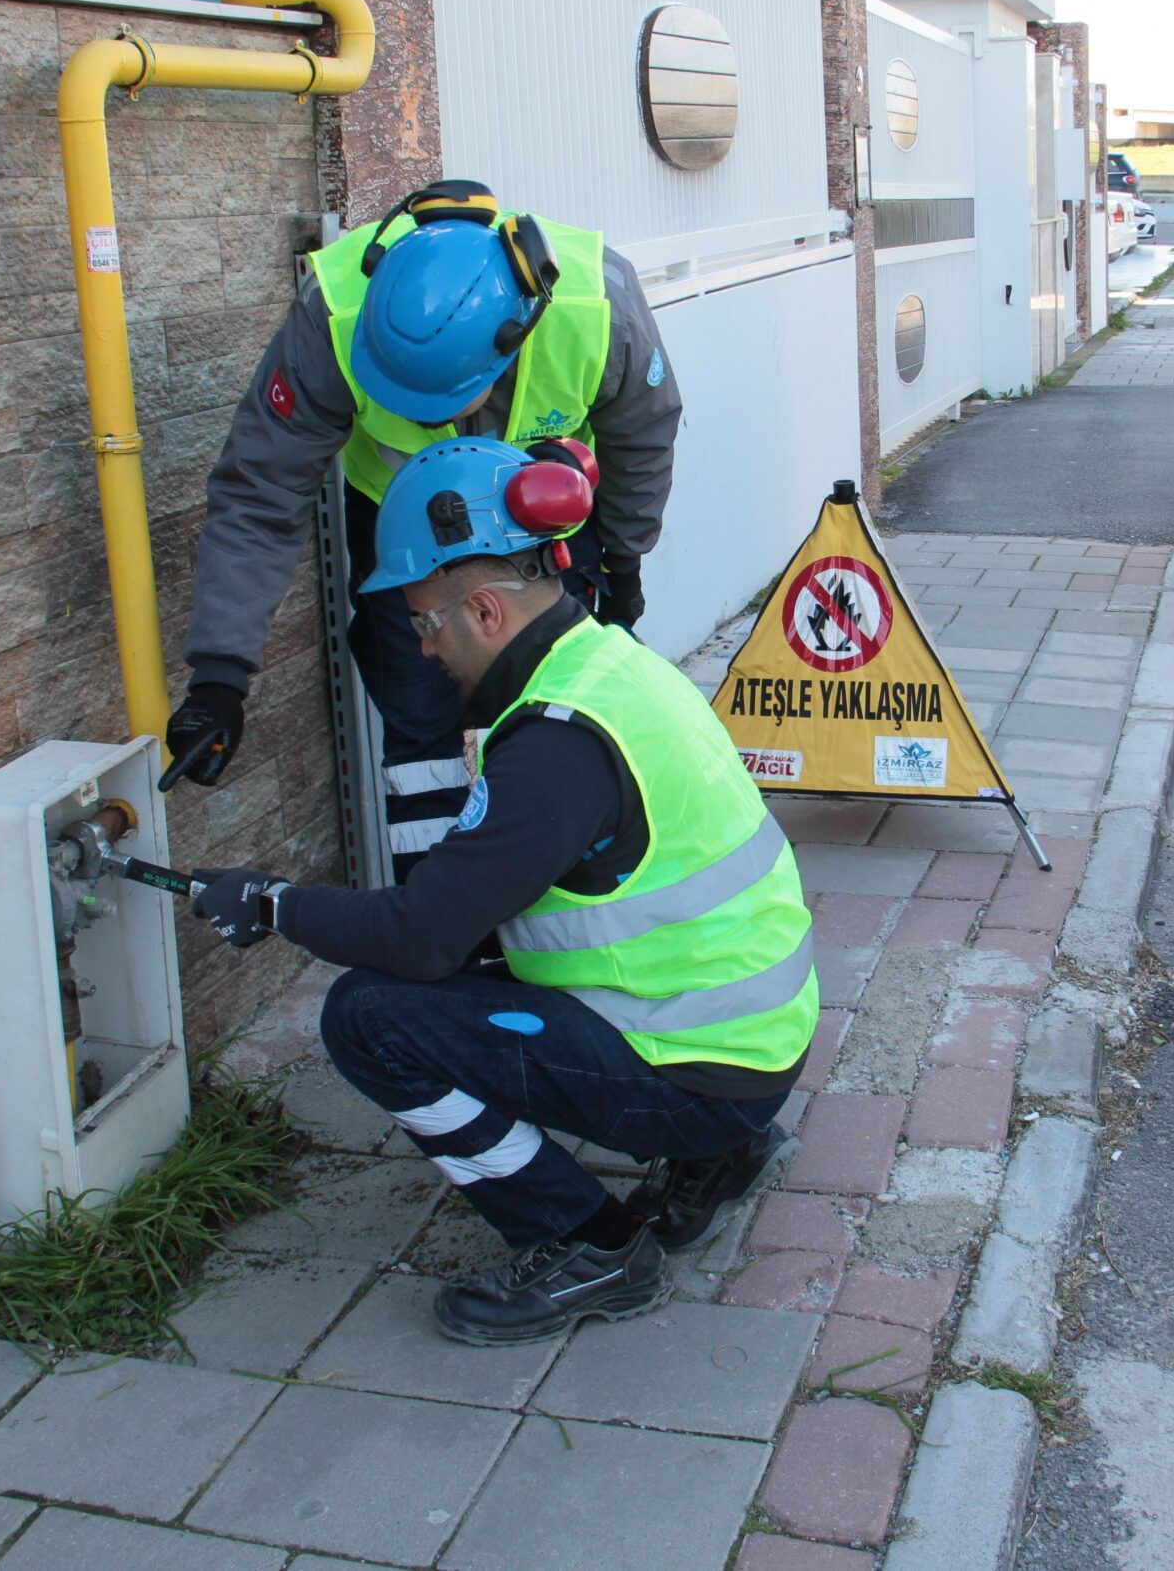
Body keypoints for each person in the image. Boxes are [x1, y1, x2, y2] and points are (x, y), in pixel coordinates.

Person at [188, 437, 815, 1345]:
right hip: (749, 1039)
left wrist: (274, 902)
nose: (422, 647)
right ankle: (721, 1150)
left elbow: (419, 934)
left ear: (484, 609)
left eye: (424, 623)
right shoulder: (608, 662)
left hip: (705, 1069)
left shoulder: (556, 743)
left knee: (367, 1016)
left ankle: (592, 1245)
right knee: (464, 961)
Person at [162, 180, 683, 875]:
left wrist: (623, 564)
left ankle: (561, 888)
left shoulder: (599, 304)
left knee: (560, 709)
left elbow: (642, 437)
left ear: (510, 344)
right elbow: (260, 492)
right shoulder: (332, 318)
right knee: (421, 728)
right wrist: (219, 676)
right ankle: (439, 914)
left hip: (543, 514)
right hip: (406, 540)